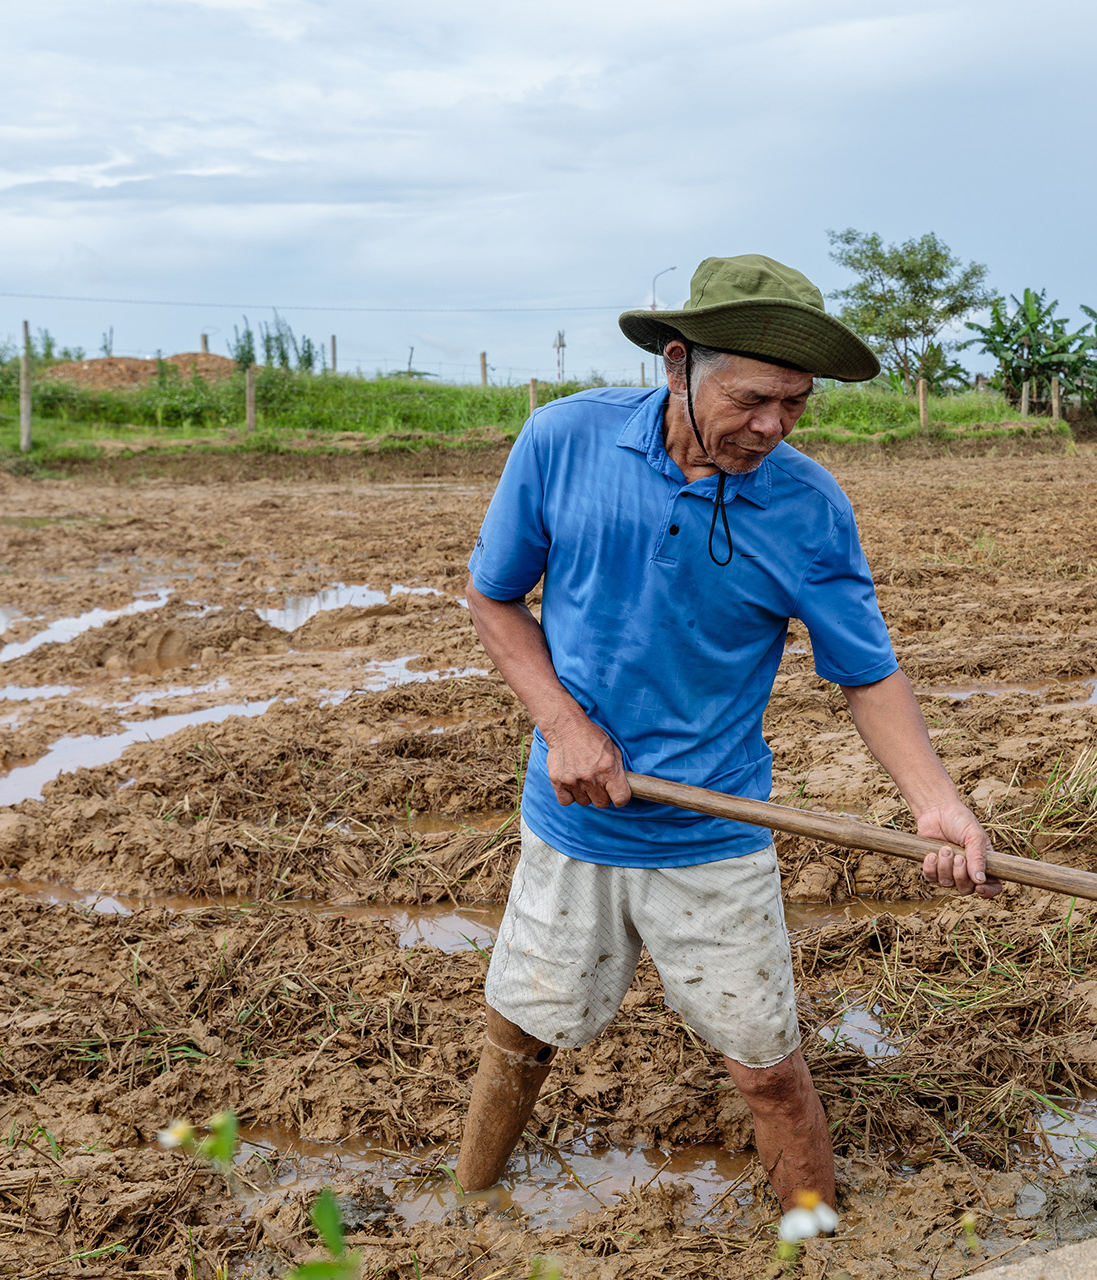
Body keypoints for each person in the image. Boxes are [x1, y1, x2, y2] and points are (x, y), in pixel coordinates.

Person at [454, 254, 1002, 1206]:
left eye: (796, 403)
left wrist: (936, 805)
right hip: (572, 821)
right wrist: (565, 727)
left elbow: (866, 672)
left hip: (713, 833)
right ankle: (466, 1208)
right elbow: (493, 599)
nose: (773, 426)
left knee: (768, 1072)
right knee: (521, 1033)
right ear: (678, 364)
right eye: (752, 399)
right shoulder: (563, 441)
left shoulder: (808, 510)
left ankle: (813, 1237)